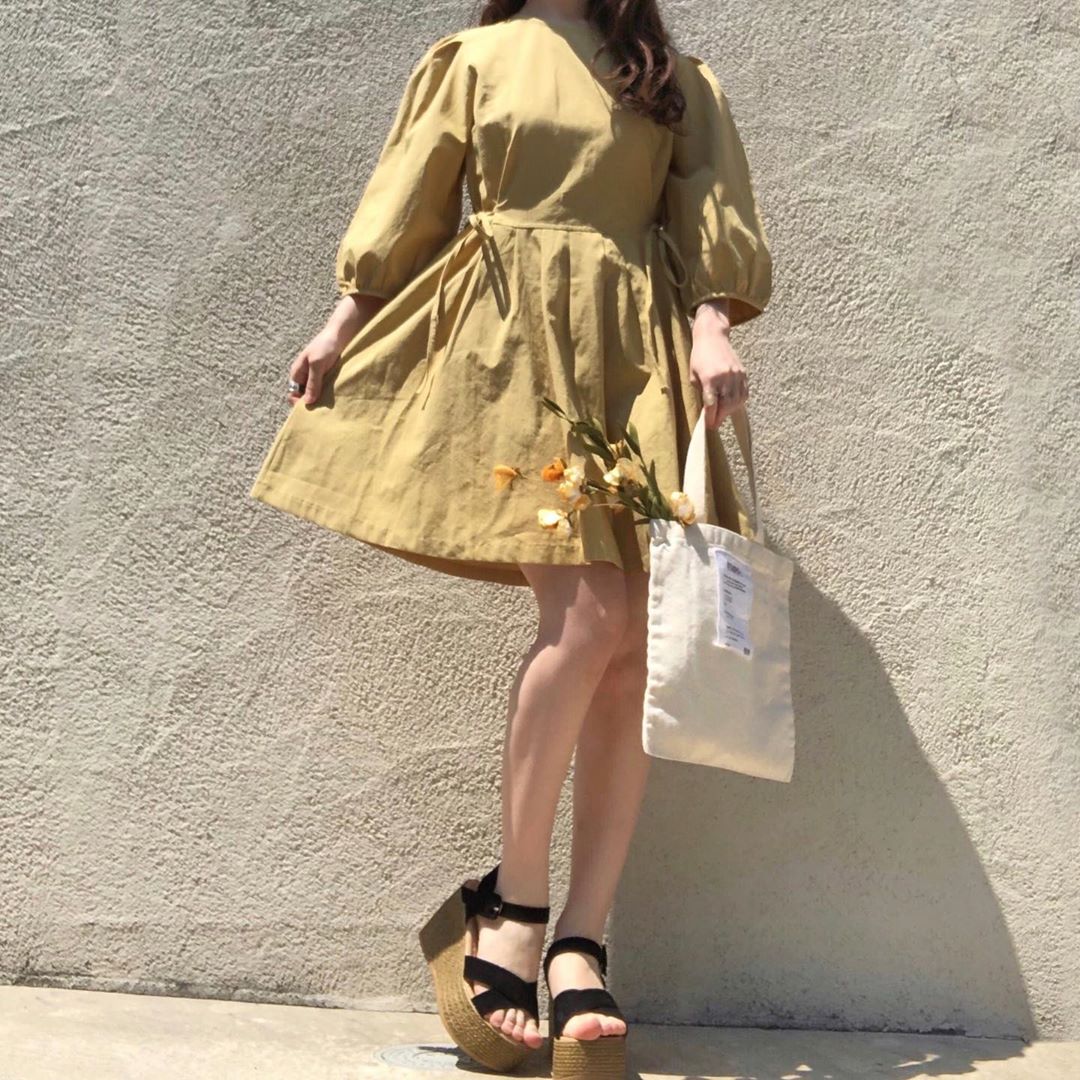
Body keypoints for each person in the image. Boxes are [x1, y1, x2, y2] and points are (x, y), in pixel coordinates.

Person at [249, 0, 772, 1074]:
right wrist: (344, 322)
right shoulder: (475, 59)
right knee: (589, 619)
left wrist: (712, 322)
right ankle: (513, 907)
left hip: (637, 353)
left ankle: (582, 936)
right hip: (514, 347)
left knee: (634, 646)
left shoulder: (662, 71)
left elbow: (704, 207)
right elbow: (412, 201)